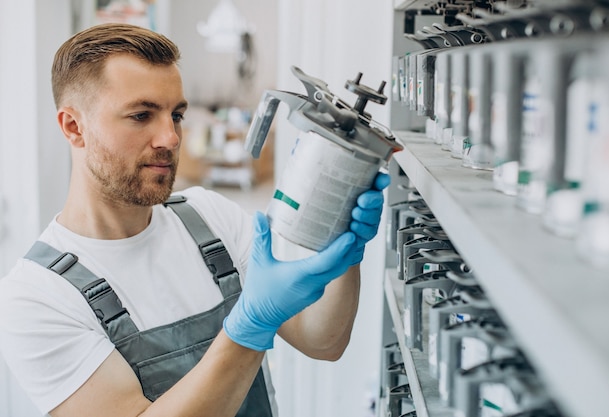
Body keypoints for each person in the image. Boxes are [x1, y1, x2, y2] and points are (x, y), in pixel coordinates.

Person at [0, 23, 390, 417]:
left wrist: (340, 233)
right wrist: (250, 326)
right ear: (73, 127)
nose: (169, 137)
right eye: (141, 115)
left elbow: (324, 341)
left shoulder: (210, 217)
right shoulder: (37, 298)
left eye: (177, 115)